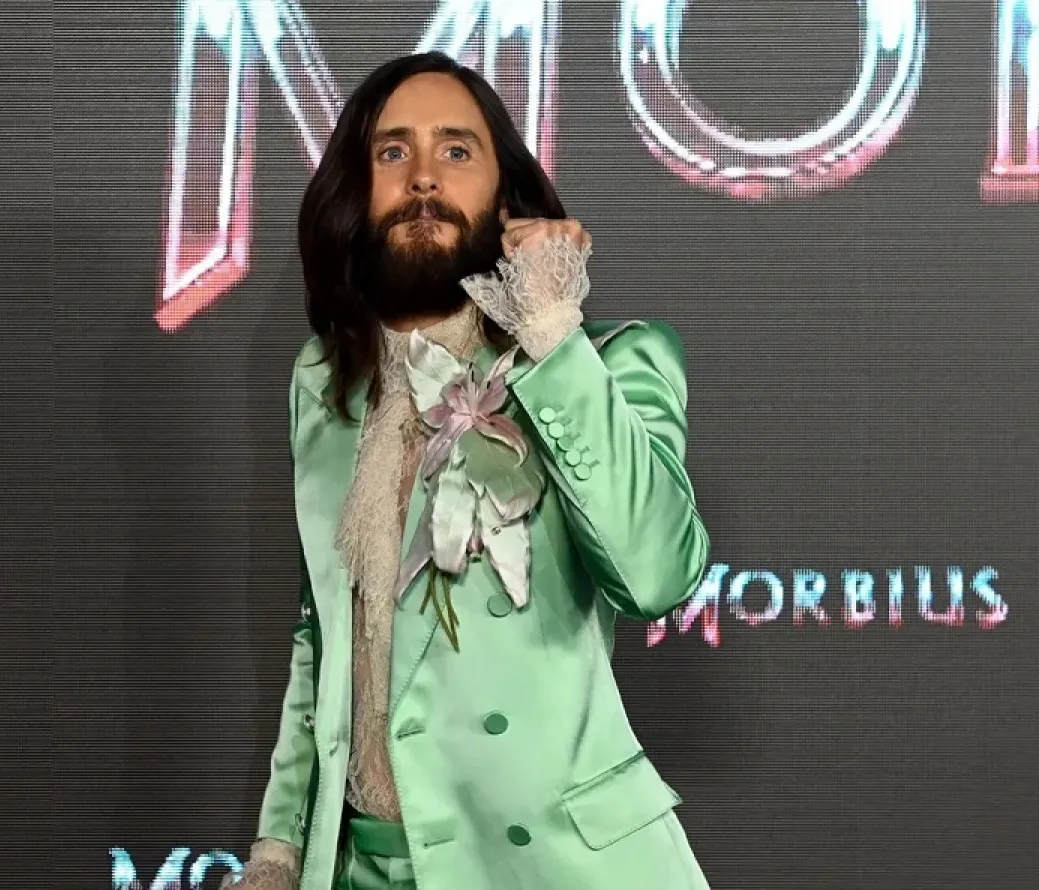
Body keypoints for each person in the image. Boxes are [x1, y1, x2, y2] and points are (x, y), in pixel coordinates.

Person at [227, 52, 712, 890]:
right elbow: (324, 632)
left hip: (549, 868)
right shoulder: (324, 385)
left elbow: (659, 575)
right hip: (356, 868)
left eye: (456, 152)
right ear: (355, 191)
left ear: (507, 197)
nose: (422, 178)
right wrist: (279, 847)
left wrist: (554, 332)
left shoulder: (608, 363)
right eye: (392, 153)